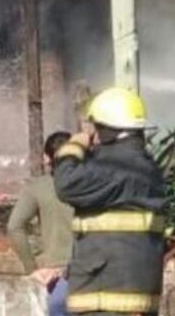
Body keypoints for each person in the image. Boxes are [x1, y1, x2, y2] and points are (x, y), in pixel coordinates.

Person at [53, 87, 166, 316]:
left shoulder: (118, 165)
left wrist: (74, 146)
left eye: (95, 126)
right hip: (129, 292)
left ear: (108, 130)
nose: (92, 133)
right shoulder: (143, 166)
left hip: (107, 294)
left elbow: (66, 184)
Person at [7, 131, 75, 316]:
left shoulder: (38, 187)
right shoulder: (94, 186)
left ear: (46, 158)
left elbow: (14, 226)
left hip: (58, 277)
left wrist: (32, 268)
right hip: (95, 273)